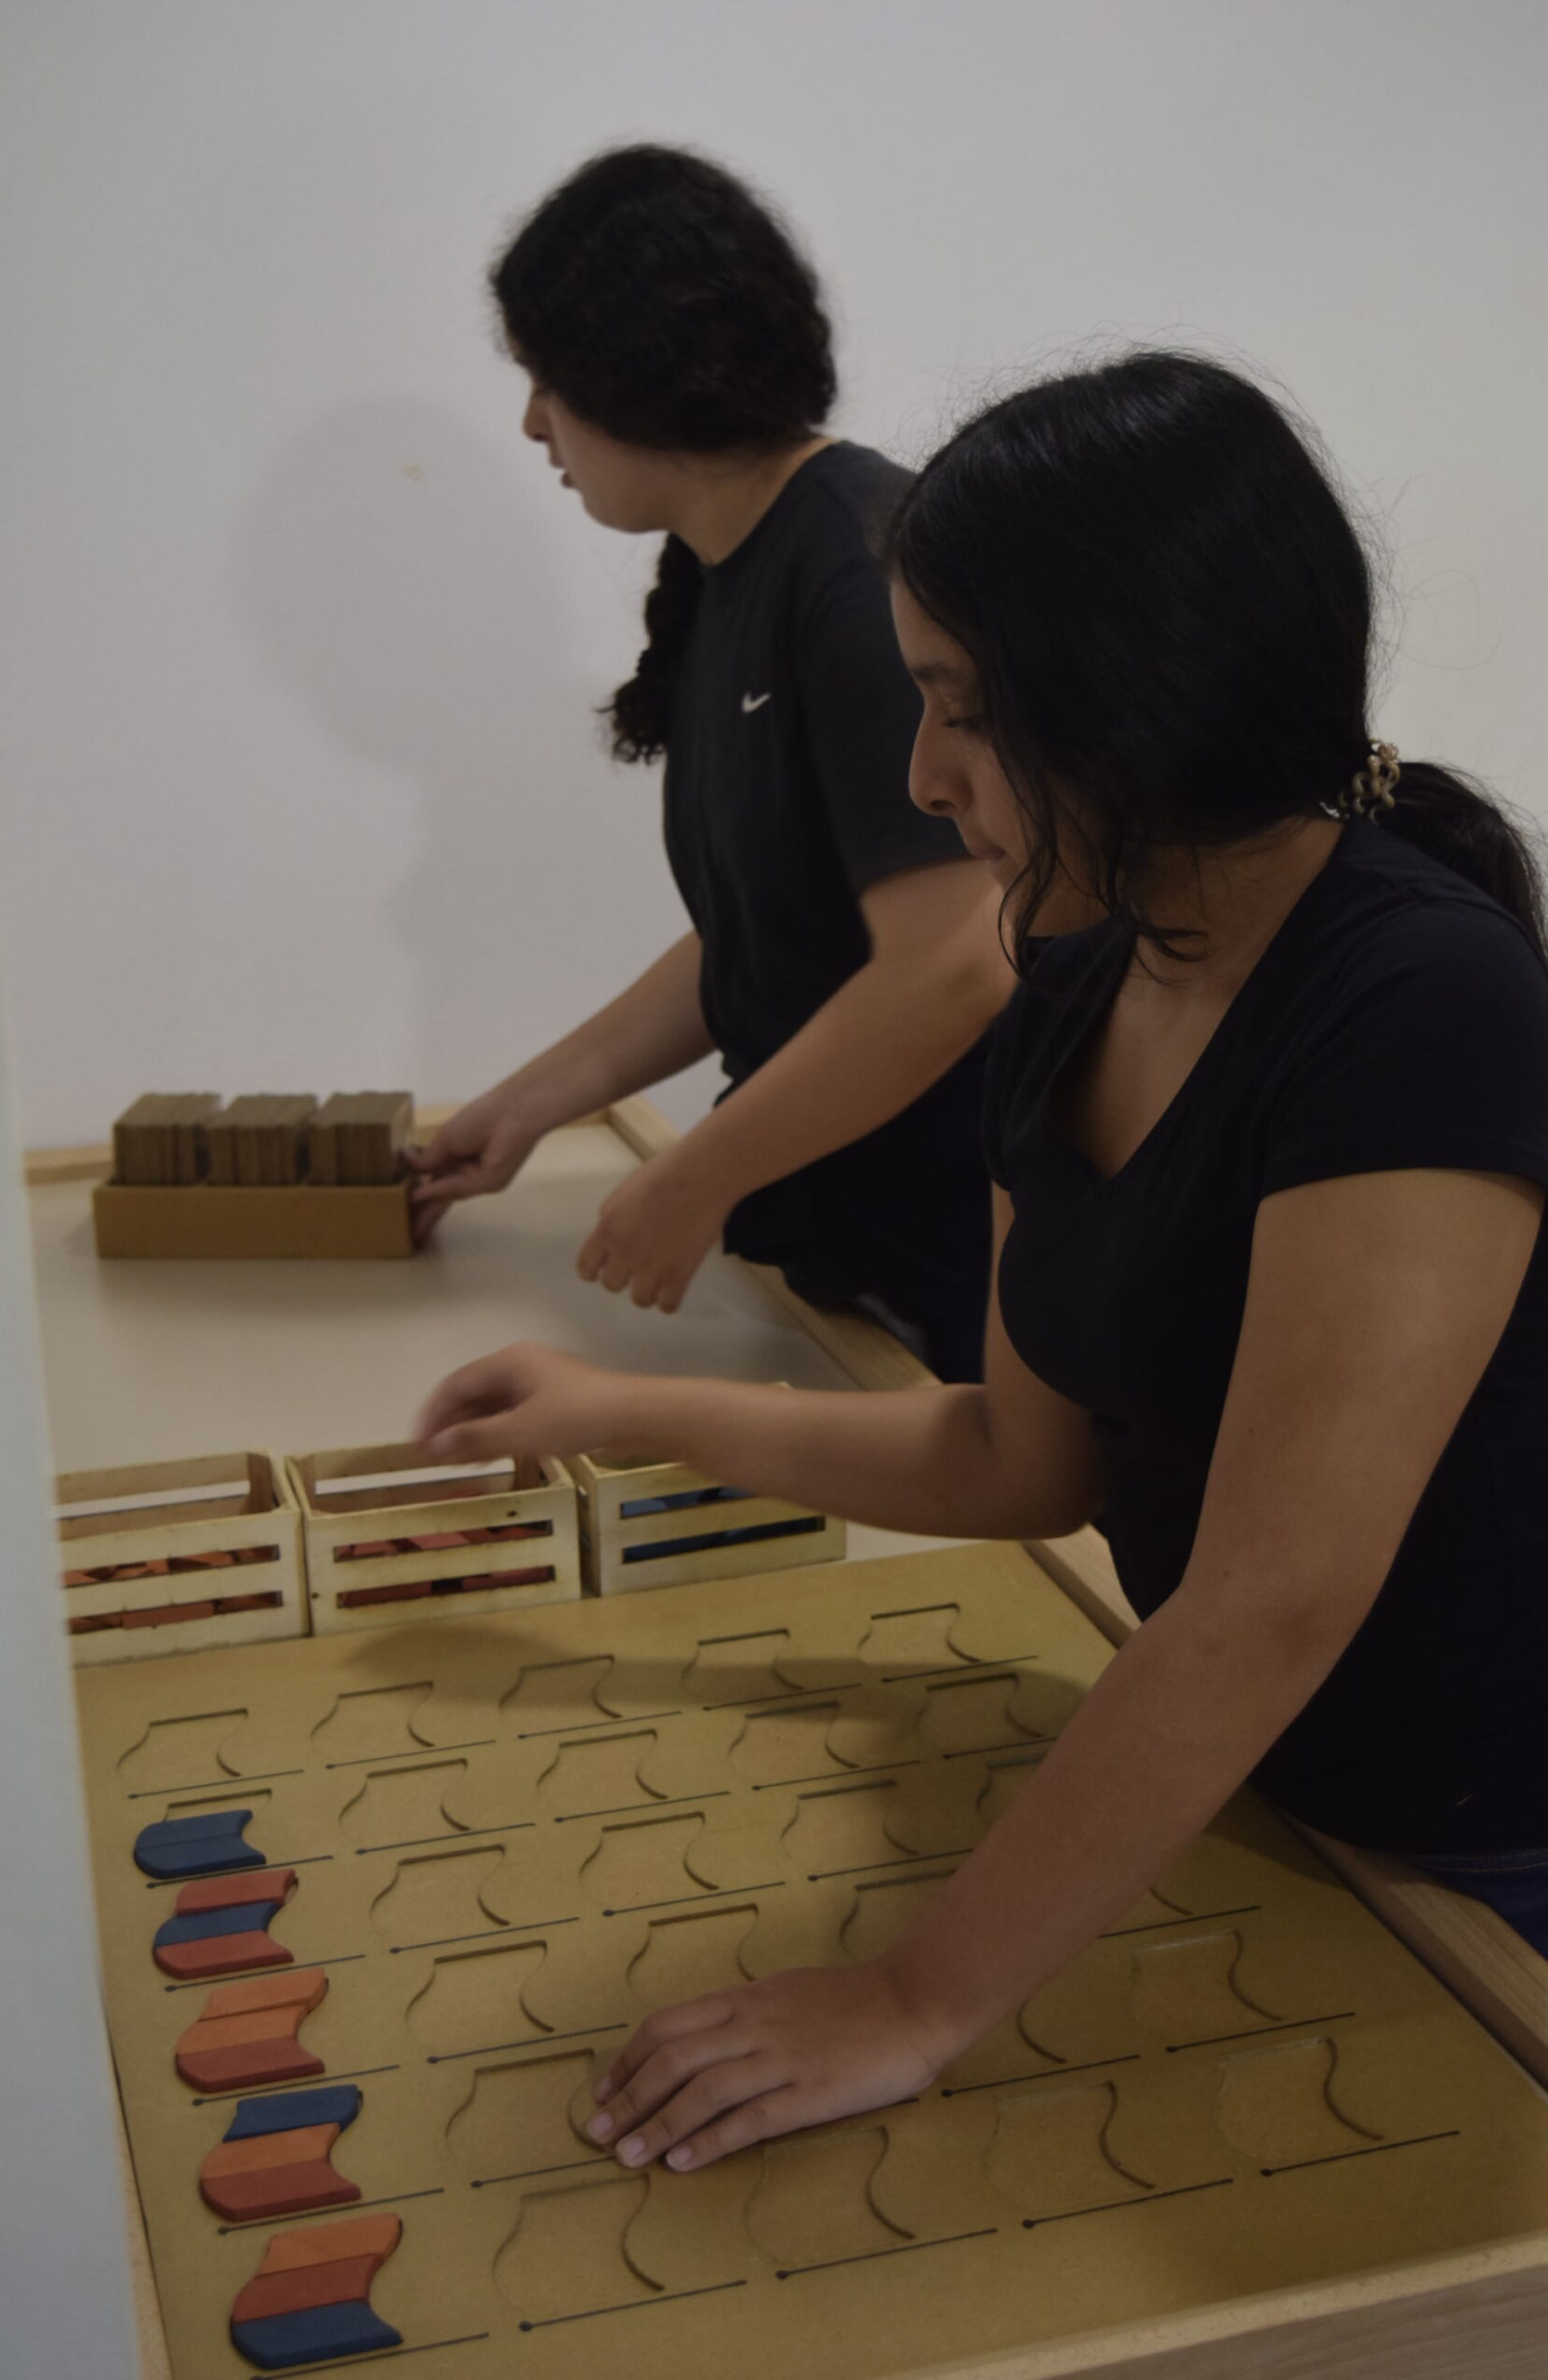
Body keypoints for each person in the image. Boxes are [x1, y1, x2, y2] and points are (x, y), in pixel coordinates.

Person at [414, 351, 1548, 2172]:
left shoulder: (1418, 999)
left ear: (1148, 692)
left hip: (1482, 1843)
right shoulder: (1078, 976)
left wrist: (916, 1994)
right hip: (1270, 1798)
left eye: (963, 708)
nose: (923, 776)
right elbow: (1015, 1457)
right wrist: (616, 1408)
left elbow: (1269, 1598)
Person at [408, 146, 1005, 1381]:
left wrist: (699, 1175)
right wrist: (530, 1103)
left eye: (542, 378)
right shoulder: (732, 569)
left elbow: (959, 958)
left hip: (948, 1274)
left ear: (632, 367)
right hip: (837, 1251)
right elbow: (771, 927)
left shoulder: (855, 569)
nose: (532, 422)